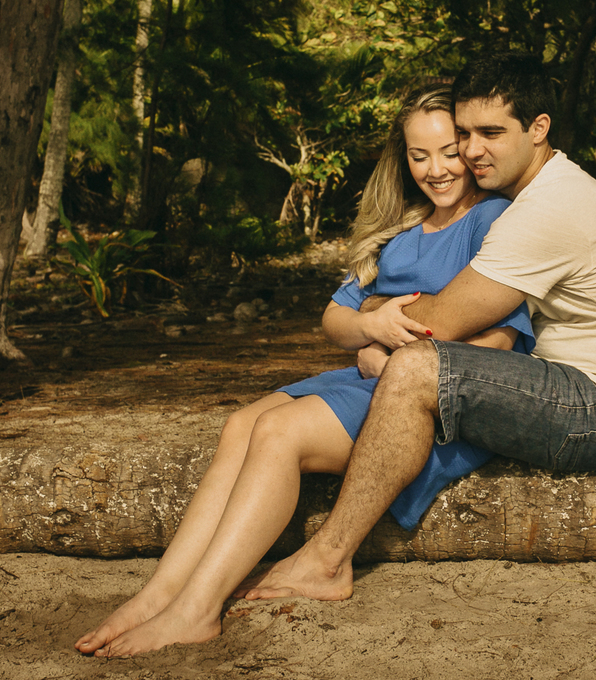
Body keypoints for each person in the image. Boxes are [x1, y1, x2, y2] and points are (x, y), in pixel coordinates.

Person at [74, 83, 533, 657]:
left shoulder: (491, 219)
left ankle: (197, 611)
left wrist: (399, 361)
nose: (436, 169)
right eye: (419, 155)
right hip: (365, 377)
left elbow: (501, 341)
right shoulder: (402, 231)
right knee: (242, 423)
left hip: (427, 397)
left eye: (448, 151)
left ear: (469, 149)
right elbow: (333, 320)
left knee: (278, 432)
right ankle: (158, 594)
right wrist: (369, 330)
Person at [234, 51, 596, 606]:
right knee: (409, 365)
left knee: (417, 364)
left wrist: (369, 325)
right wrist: (369, 323)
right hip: (562, 382)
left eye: (491, 132)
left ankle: (326, 560)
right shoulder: (532, 194)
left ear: (538, 129)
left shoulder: (549, 207)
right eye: (465, 132)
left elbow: (436, 325)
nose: (471, 150)